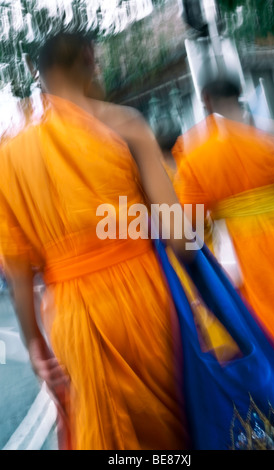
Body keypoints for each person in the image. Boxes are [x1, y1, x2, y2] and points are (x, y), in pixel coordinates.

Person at [0, 31, 198, 450]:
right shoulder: (124, 123)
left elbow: (18, 271)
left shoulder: (11, 157)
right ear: (89, 60)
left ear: (41, 75)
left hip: (72, 314)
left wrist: (35, 344)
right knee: (167, 429)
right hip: (144, 300)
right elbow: (181, 237)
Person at [173, 76, 274, 388]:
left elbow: (191, 223)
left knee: (263, 329)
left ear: (205, 98)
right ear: (239, 92)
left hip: (237, 257)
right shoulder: (272, 131)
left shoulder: (194, 148)